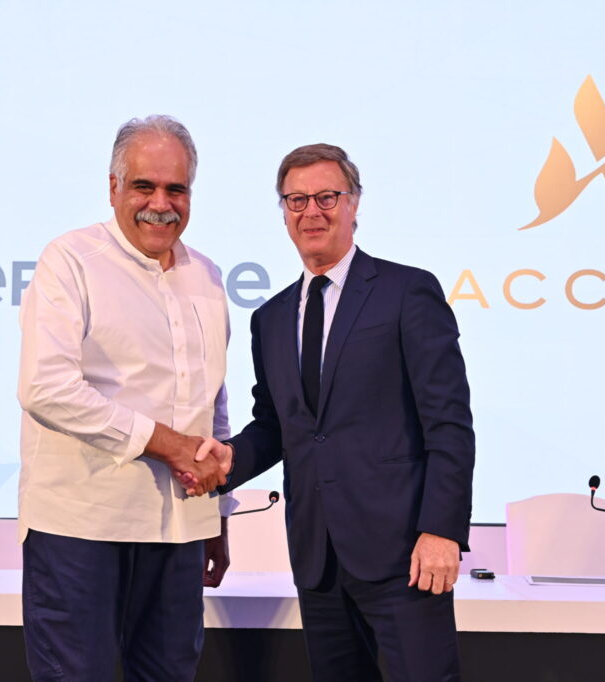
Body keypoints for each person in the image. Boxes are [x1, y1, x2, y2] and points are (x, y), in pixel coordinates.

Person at [197, 143, 475, 681]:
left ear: (353, 204)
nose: (312, 212)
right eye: (296, 200)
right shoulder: (271, 318)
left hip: (405, 554)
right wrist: (227, 460)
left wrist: (442, 530)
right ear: (283, 211)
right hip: (317, 557)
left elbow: (449, 424)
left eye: (327, 197)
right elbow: (277, 427)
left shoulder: (407, 291)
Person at [17, 115, 235, 682]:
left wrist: (217, 514)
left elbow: (212, 398)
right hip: (82, 527)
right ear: (113, 187)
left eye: (176, 189)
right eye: (144, 186)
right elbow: (45, 387)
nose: (160, 204)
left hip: (180, 531)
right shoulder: (70, 260)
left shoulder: (208, 276)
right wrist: (166, 444)